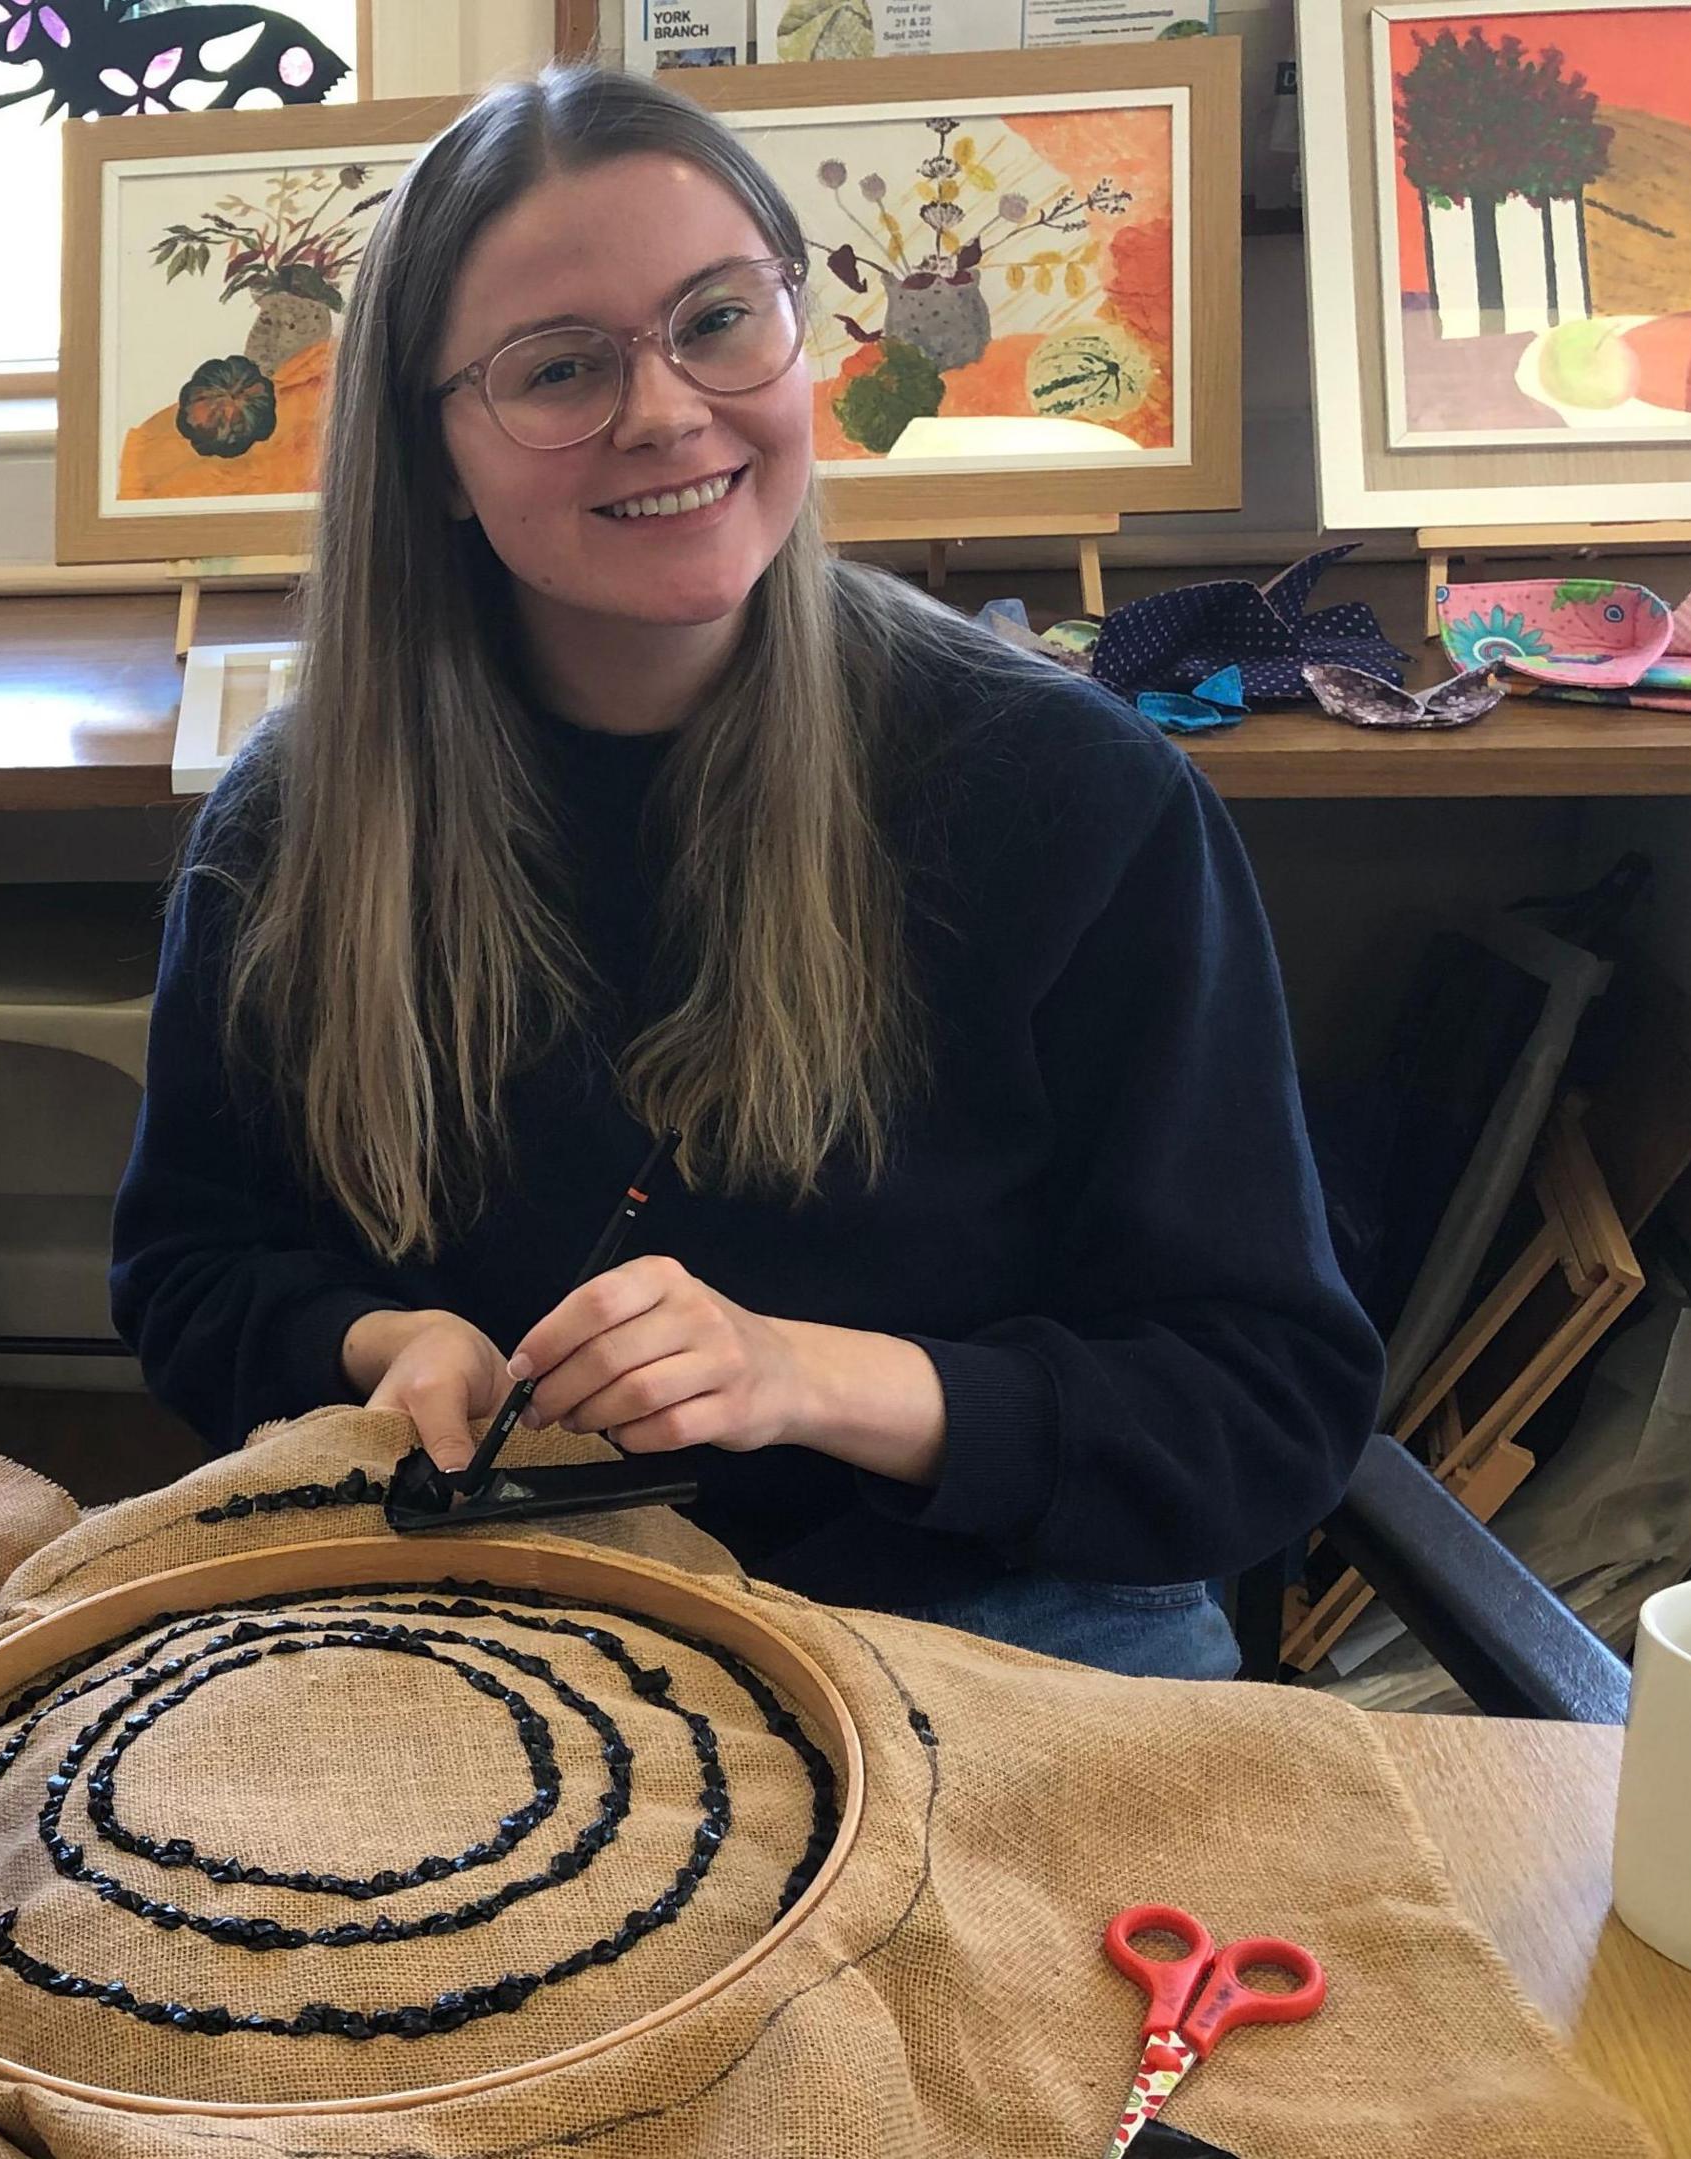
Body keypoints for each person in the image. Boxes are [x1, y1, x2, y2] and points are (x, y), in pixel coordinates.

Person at [111, 66, 1382, 1681]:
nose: (661, 409)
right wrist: (384, 1344)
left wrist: (804, 1379)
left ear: (802, 335)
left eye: (718, 320)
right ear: (432, 455)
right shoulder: (295, 826)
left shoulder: (1074, 798)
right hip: (504, 1594)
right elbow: (190, 1271)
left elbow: (1265, 1406)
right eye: (558, 369)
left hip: (991, 1614)